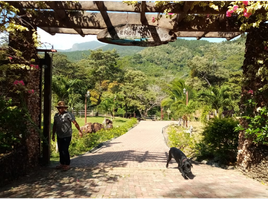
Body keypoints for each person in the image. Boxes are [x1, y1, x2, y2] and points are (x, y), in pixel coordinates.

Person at [52, 101, 83, 171]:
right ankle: (62, 163)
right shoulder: (56, 116)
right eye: (59, 108)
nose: (61, 109)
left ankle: (67, 164)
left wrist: (79, 131)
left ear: (64, 108)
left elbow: (75, 123)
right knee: (60, 149)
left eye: (62, 108)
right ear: (58, 108)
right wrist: (53, 134)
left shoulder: (68, 114)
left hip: (67, 135)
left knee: (64, 149)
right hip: (59, 134)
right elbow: (54, 125)